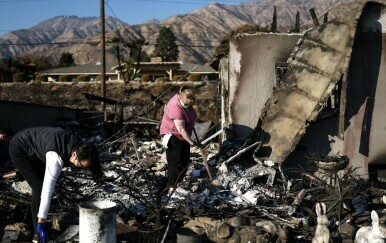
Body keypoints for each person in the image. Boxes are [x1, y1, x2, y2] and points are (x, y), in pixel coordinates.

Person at [8, 126, 103, 243]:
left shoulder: (82, 147)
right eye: (79, 165)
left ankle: (35, 222)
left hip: (38, 145)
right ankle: (37, 234)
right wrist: (41, 222)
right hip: (19, 147)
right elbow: (47, 190)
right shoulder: (55, 158)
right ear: (74, 154)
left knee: (43, 182)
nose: (78, 168)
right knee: (39, 186)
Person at [160, 87, 199, 195]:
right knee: (176, 163)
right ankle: (170, 188)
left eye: (190, 104)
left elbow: (189, 115)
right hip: (173, 135)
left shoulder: (185, 102)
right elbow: (181, 129)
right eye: (186, 104)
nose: (188, 106)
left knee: (184, 162)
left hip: (183, 135)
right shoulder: (175, 107)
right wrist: (192, 142)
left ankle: (176, 185)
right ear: (180, 98)